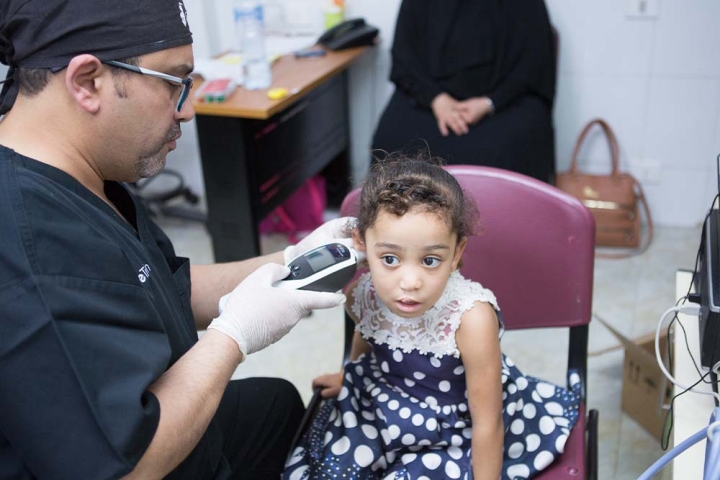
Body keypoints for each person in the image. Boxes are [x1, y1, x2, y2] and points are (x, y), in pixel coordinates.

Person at [0, 1, 357, 479]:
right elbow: (128, 465)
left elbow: (164, 287)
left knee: (276, 403)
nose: (187, 111)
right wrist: (235, 336)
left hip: (165, 412)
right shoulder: (30, 248)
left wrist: (293, 258)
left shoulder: (91, 170)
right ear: (87, 82)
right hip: (140, 455)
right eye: (175, 83)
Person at [283, 157, 581, 479]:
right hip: (387, 405)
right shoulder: (362, 295)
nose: (410, 282)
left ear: (455, 253)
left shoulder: (470, 319)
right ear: (361, 244)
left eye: (429, 260)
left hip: (455, 427)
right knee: (332, 467)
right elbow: (366, 334)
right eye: (390, 258)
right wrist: (349, 376)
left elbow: (487, 425)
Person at [371, 0, 557, 183]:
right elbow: (405, 54)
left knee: (512, 146)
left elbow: (534, 61)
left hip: (504, 102)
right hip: (430, 98)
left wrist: (490, 103)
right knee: (392, 138)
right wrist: (436, 99)